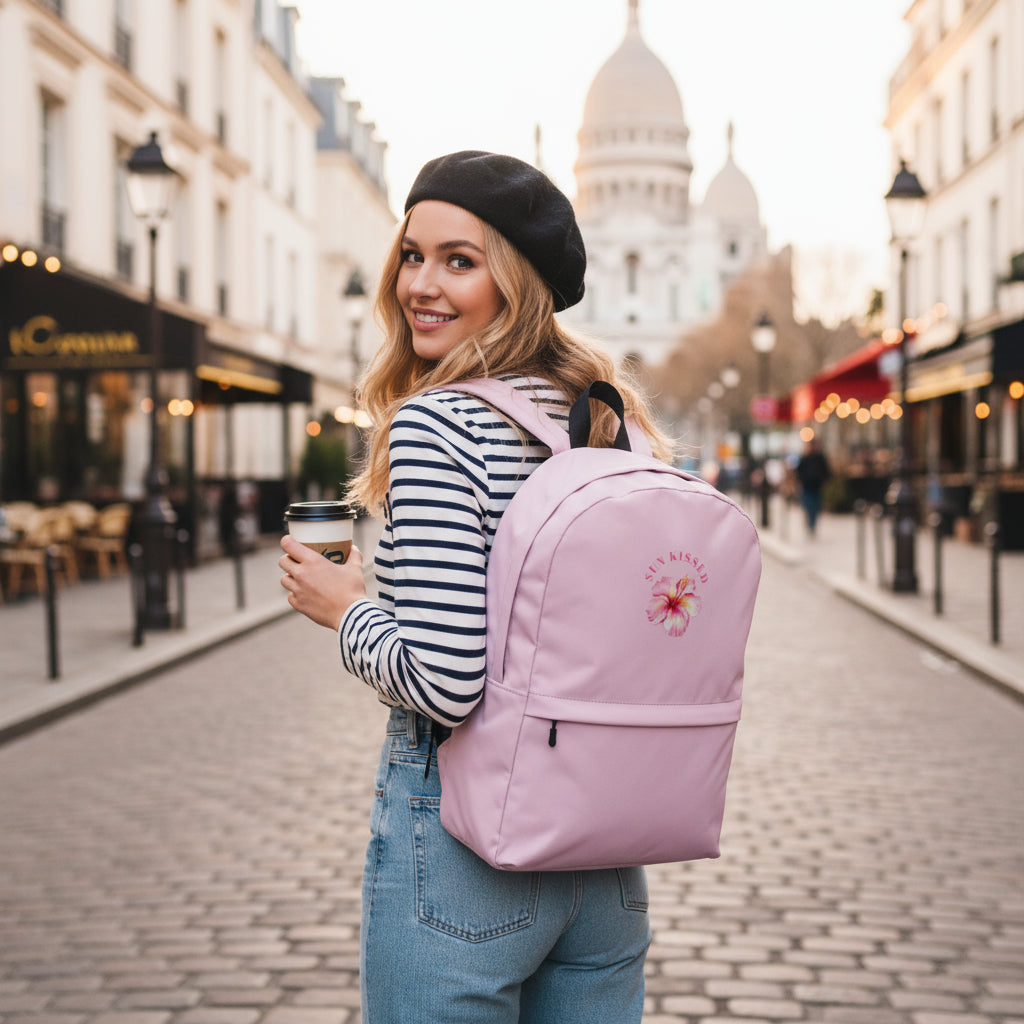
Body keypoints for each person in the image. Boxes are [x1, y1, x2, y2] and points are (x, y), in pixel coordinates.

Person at [278, 150, 672, 1023]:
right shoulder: (608, 422)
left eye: (462, 260)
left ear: (517, 281)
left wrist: (344, 610)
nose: (422, 283)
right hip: (605, 855)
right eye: (412, 255)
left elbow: (447, 681)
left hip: (466, 848)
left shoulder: (435, 424)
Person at [795, 437, 831, 536]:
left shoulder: (821, 458)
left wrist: (824, 479)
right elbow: (799, 471)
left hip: (817, 487)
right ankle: (809, 523)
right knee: (808, 506)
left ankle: (813, 524)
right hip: (807, 487)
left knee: (815, 507)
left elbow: (826, 471)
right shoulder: (805, 458)